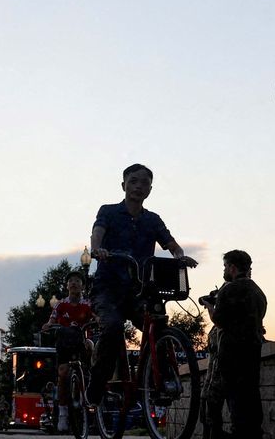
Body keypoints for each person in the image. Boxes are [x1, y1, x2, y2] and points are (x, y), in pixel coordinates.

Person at [86, 163, 197, 403]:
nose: (139, 186)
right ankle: (97, 383)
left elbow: (171, 244)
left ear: (150, 188)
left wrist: (180, 257)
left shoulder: (153, 220)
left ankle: (162, 379)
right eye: (134, 181)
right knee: (113, 328)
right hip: (108, 288)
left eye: (144, 182)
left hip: (139, 290)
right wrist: (98, 250)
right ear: (123, 185)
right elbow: (97, 233)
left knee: (158, 325)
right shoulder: (109, 211)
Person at [200, 250, 267, 439]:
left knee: (235, 401)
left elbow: (219, 320)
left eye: (225, 266)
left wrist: (209, 306)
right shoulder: (258, 291)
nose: (224, 270)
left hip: (231, 354)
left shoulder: (229, 290)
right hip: (253, 352)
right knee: (251, 396)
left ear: (232, 267)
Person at [40, 271, 93, 431]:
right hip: (64, 343)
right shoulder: (61, 305)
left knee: (91, 349)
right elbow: (52, 318)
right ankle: (62, 415)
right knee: (62, 374)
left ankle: (89, 379)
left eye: (77, 281)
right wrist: (48, 325)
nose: (74, 283)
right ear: (67, 285)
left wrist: (98, 320)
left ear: (82, 286)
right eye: (71, 281)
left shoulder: (88, 304)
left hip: (82, 342)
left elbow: (96, 316)